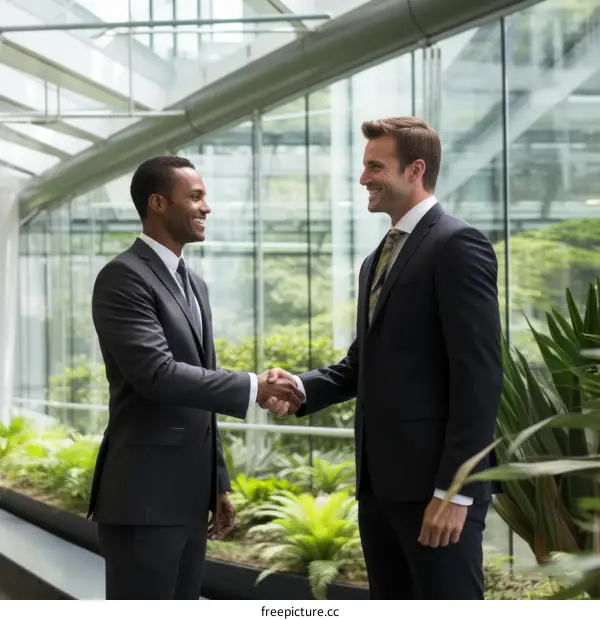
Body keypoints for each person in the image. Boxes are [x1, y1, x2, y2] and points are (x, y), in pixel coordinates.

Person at [265, 117, 502, 599]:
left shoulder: (457, 245)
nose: (363, 179)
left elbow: (479, 376)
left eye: (375, 166)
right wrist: (302, 387)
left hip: (437, 493)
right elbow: (363, 363)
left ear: (415, 170)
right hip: (380, 489)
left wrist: (455, 492)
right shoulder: (376, 259)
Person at [89, 155, 302, 600]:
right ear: (158, 203)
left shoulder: (194, 283)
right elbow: (157, 374)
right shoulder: (123, 277)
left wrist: (217, 483)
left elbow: (199, 389)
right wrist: (254, 386)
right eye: (197, 196)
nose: (208, 207)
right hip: (143, 501)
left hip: (188, 500)